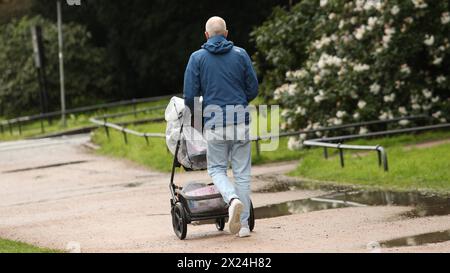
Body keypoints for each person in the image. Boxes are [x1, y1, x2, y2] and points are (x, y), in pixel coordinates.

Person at [183, 16, 259, 238]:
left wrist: (198, 120)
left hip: (214, 123)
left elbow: (190, 96)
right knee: (242, 174)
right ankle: (243, 226)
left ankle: (231, 198)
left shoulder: (197, 58)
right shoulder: (241, 54)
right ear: (226, 33)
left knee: (216, 169)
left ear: (206, 35)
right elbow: (253, 88)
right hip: (240, 120)